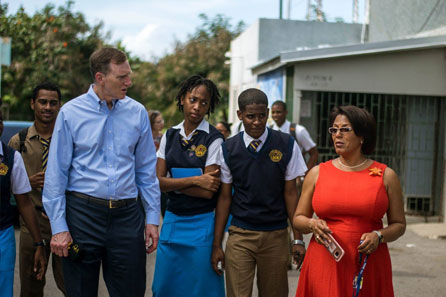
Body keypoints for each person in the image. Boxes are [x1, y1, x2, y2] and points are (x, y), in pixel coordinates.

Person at [42, 47, 160, 297]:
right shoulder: (71, 113)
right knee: (80, 292)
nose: (129, 82)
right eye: (122, 77)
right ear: (100, 77)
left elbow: (146, 171)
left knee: (131, 291)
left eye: (129, 75)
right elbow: (56, 174)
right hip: (82, 216)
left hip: (127, 218)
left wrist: (151, 217)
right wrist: (59, 227)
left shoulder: (137, 112)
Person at [293, 105, 406, 297]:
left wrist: (378, 235)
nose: (338, 135)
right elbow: (298, 218)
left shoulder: (386, 176)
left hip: (369, 261)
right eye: (334, 129)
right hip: (324, 259)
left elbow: (399, 225)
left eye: (345, 129)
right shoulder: (317, 173)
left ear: (362, 135)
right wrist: (312, 224)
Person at [211, 88, 307, 297]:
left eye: (262, 115)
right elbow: (225, 198)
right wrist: (217, 244)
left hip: (276, 236)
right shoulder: (228, 149)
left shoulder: (286, 144)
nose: (256, 122)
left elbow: (291, 194)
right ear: (240, 115)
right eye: (250, 116)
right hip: (240, 235)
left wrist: (297, 239)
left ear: (268, 114)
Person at [152, 75, 225, 297]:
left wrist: (171, 183)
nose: (197, 107)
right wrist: (195, 179)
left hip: (202, 222)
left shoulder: (214, 138)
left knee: (201, 289)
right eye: (193, 99)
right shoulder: (170, 135)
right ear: (182, 98)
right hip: (173, 219)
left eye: (204, 103)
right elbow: (156, 183)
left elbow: (208, 191)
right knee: (164, 287)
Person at [9, 82, 65, 297]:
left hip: (64, 220)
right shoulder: (19, 141)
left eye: (53, 103)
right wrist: (27, 183)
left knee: (70, 279)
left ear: (59, 106)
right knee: (31, 282)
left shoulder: (67, 140)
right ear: (33, 104)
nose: (48, 107)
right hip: (31, 223)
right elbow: (6, 185)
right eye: (42, 102)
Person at [0, 110, 46, 297]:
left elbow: (24, 202)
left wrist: (39, 243)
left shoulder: (12, 158)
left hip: (2, 236)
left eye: (0, 119)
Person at [271, 100, 318, 170]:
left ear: (285, 112)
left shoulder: (298, 130)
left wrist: (306, 174)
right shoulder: (269, 130)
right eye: (273, 112)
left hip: (295, 175)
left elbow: (314, 154)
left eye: (278, 112)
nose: (275, 115)